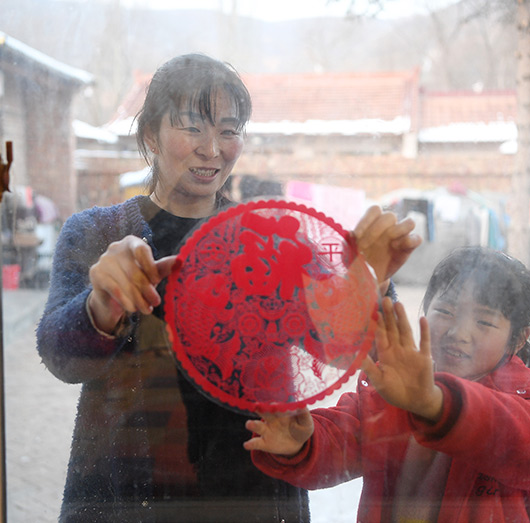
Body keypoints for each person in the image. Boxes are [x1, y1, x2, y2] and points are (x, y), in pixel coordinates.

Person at [36, 52, 420, 522]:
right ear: (150, 134)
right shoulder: (97, 233)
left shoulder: (273, 237)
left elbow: (348, 349)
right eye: (192, 127)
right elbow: (61, 358)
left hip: (252, 491)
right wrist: (101, 305)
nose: (212, 148)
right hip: (127, 492)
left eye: (229, 130)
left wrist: (366, 280)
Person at [245, 246, 530, 522]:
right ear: (425, 310)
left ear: (518, 339)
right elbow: (342, 441)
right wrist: (303, 443)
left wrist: (433, 403)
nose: (458, 332)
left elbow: (519, 442)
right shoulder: (394, 387)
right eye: (445, 312)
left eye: (484, 322)